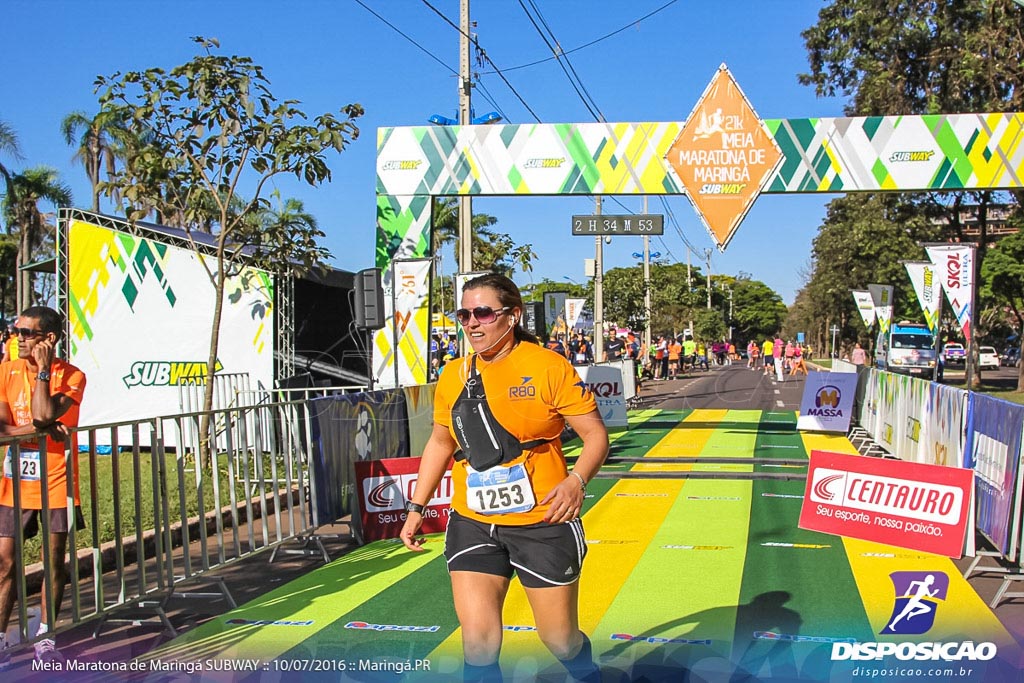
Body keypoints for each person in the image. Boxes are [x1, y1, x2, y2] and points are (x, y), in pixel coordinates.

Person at [399, 274, 609, 683]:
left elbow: (595, 436)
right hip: (473, 520)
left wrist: (577, 481)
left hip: (543, 521)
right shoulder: (454, 374)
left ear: (512, 316)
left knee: (560, 641)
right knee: (478, 643)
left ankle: (589, 674)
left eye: (482, 313)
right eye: (464, 314)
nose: (472, 323)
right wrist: (416, 508)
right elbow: (440, 445)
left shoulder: (548, 367)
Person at [0, 307, 87, 667]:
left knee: (52, 562)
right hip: (13, 481)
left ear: (49, 339)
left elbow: (40, 413)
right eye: (16, 331)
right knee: (3, 562)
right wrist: (42, 429)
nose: (18, 338)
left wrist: (44, 375)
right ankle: (2, 635)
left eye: (27, 333)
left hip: (56, 478)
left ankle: (45, 634)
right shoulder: (6, 370)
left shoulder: (73, 376)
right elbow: (5, 430)